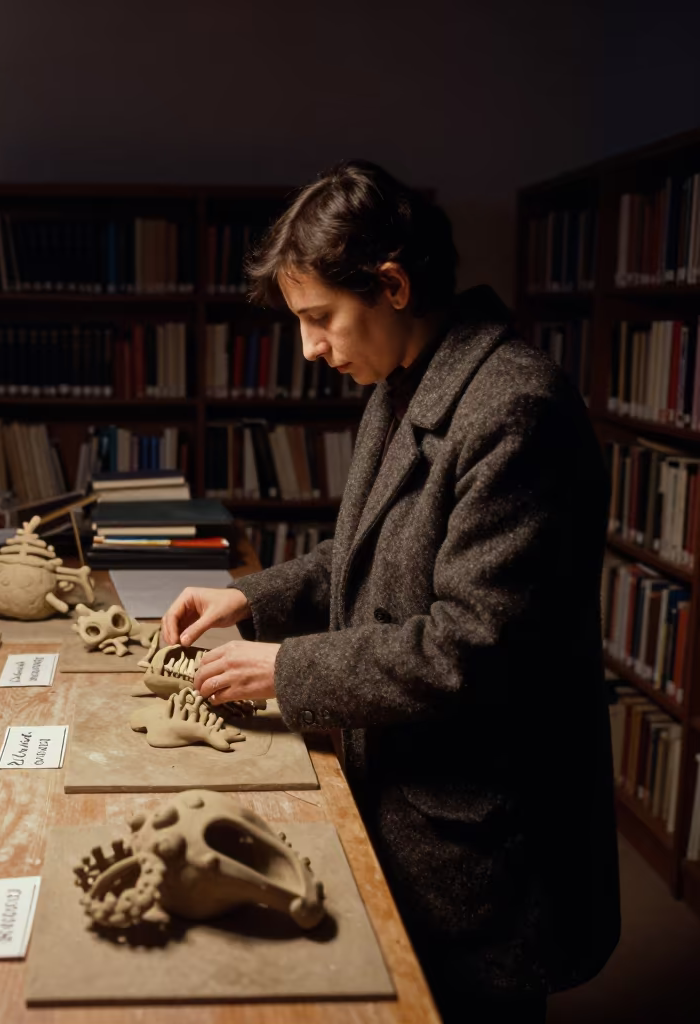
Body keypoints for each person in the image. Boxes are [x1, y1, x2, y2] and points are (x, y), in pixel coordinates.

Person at [161, 161, 620, 1024]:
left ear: (393, 285)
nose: (309, 349)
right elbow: (365, 552)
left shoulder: (516, 410)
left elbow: (470, 646)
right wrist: (250, 599)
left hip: (482, 836)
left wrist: (287, 669)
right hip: (407, 792)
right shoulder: (405, 376)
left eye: (319, 319)